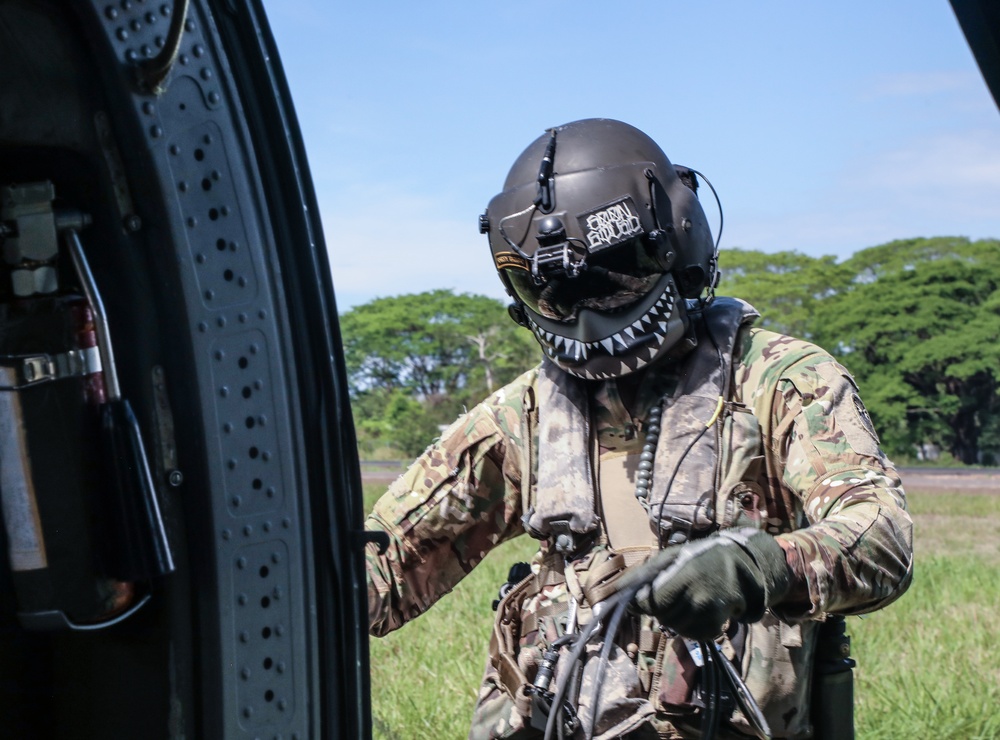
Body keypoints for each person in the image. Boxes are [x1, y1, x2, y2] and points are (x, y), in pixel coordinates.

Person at [364, 118, 913, 739]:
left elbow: (882, 538)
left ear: (677, 244)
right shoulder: (527, 413)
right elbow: (390, 561)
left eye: (613, 277)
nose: (586, 314)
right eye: (554, 292)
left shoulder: (780, 381)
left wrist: (759, 565)